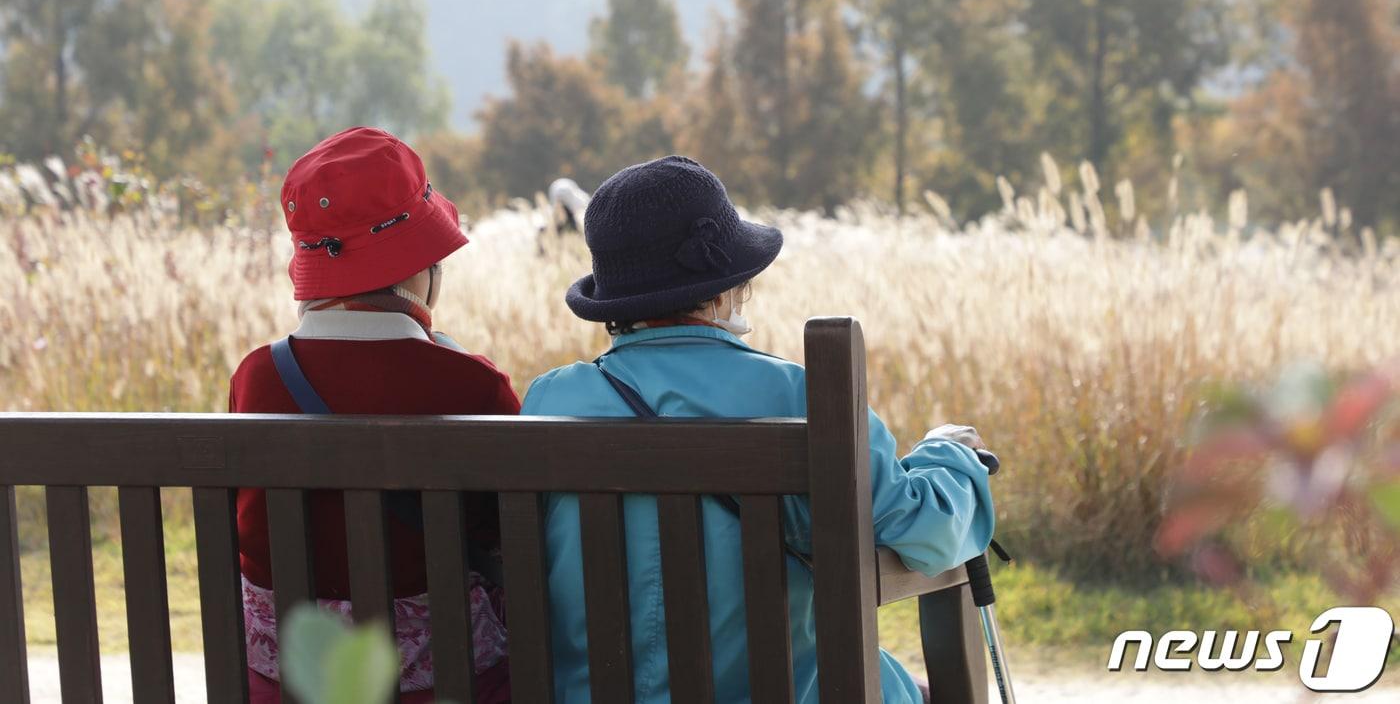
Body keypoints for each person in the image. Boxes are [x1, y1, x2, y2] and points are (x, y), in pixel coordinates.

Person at [521, 155, 996, 703]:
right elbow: (922, 532)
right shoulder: (799, 396)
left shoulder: (550, 398)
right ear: (723, 288)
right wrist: (950, 457)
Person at [229, 127, 518, 704]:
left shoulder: (256, 377)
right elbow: (508, 532)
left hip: (285, 680)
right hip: (446, 682)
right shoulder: (472, 383)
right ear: (419, 267)